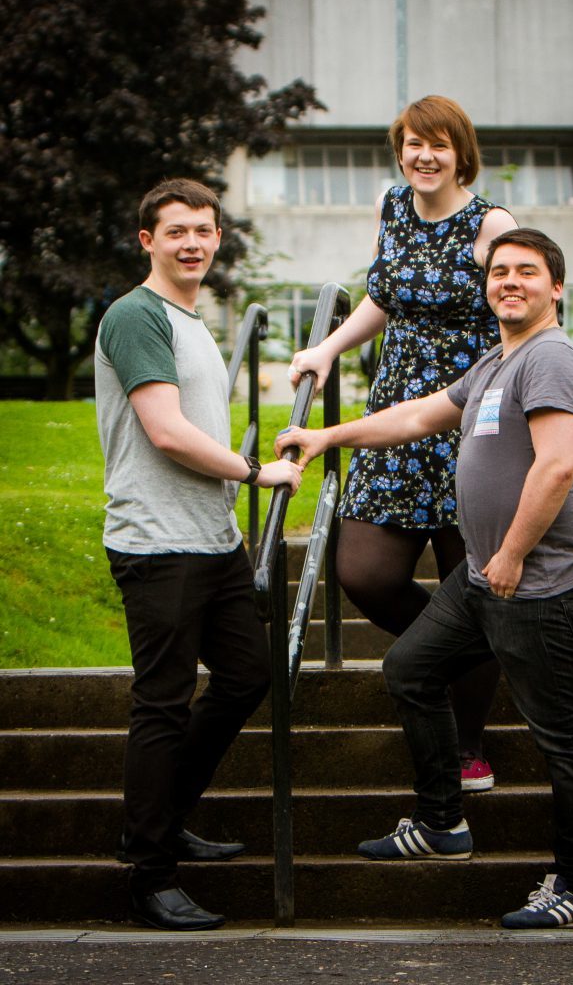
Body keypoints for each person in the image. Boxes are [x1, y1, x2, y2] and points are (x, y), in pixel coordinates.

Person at [276, 228, 573, 929]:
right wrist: (326, 437)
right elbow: (419, 415)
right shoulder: (495, 360)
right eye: (498, 272)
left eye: (525, 272)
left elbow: (554, 466)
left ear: (555, 289)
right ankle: (440, 822)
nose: (507, 282)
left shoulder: (549, 358)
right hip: (487, 577)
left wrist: (511, 554)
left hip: (539, 580)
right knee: (411, 669)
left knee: (561, 738)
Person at [289, 96, 517, 790]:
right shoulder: (394, 206)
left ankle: (466, 746)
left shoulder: (491, 225)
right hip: (394, 417)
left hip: (468, 421)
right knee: (364, 572)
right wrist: (325, 350)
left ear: (461, 152)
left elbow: (525, 310)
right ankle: (441, 660)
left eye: (437, 145)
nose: (422, 156)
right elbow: (381, 296)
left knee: (469, 584)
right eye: (411, 143)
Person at [94, 178, 302, 931]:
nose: (192, 242)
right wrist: (255, 472)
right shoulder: (136, 315)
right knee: (162, 701)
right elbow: (166, 431)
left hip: (211, 540)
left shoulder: (190, 319)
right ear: (146, 240)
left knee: (247, 673)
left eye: (203, 230)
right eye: (176, 230)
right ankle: (149, 870)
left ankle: (164, 813)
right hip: (157, 542)